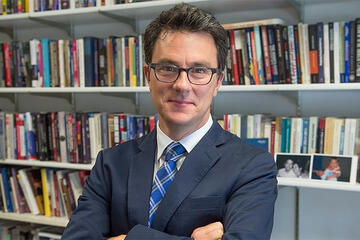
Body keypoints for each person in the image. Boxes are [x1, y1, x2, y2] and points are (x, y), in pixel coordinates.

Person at [62, 3, 277, 240]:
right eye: (167, 68)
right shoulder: (111, 163)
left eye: (199, 70)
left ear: (217, 82)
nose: (182, 85)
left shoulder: (252, 167)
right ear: (148, 77)